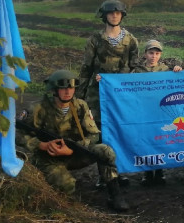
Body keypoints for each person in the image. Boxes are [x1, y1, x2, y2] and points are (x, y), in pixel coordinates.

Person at [18, 70, 129, 212]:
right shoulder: (37, 108)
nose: (68, 92)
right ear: (54, 89)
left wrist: (73, 148)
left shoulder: (80, 106)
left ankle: (115, 194)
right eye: (63, 88)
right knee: (68, 185)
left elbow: (94, 135)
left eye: (71, 88)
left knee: (105, 151)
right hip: (49, 157)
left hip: (75, 153)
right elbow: (17, 133)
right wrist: (41, 145)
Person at [78, 0, 139, 125]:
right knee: (95, 125)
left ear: (122, 15)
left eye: (118, 13)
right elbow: (86, 69)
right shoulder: (95, 40)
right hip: (98, 92)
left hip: (121, 93)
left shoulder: (131, 40)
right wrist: (80, 96)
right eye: (111, 13)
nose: (114, 16)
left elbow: (135, 69)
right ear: (104, 15)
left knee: (121, 123)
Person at [134, 39, 181, 186]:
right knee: (146, 141)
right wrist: (103, 79)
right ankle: (147, 173)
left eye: (157, 53)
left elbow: (180, 82)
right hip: (145, 112)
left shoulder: (166, 70)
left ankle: (160, 172)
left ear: (160, 55)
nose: (154, 56)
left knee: (161, 140)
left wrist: (179, 70)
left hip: (161, 112)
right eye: (151, 53)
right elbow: (123, 84)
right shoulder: (137, 71)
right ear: (145, 54)